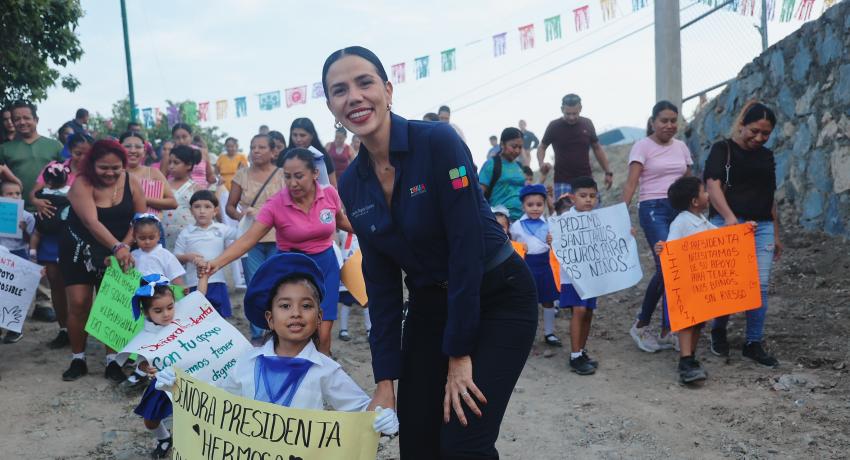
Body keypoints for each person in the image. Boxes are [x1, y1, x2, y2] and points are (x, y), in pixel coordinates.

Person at [324, 46, 537, 458]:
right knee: (417, 443)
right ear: (331, 106)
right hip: (430, 305)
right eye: (340, 90)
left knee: (463, 443)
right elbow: (382, 285)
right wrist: (385, 381)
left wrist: (459, 352)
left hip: (497, 294)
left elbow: (465, 247)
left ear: (388, 90)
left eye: (364, 82)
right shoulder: (352, 184)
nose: (354, 97)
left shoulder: (438, 142)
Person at [157, 253, 399, 437]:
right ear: (270, 319)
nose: (296, 313)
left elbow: (361, 410)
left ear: (318, 318)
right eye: (285, 306)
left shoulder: (326, 369)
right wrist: (178, 386)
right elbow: (216, 402)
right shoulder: (247, 362)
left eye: (306, 306)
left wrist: (382, 418)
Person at [202, 148, 352, 355]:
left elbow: (341, 221)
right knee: (296, 333)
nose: (292, 183)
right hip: (292, 272)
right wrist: (216, 263)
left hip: (326, 267)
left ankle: (321, 370)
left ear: (315, 173)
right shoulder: (276, 204)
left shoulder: (329, 195)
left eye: (299, 176)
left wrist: (375, 232)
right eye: (287, 176)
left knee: (323, 334)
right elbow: (248, 239)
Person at [60, 139, 146, 381]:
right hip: (80, 249)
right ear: (92, 164)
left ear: (123, 165)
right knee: (79, 303)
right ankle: (78, 358)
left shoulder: (131, 181)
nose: (110, 173)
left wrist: (125, 246)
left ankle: (113, 360)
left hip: (120, 249)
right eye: (103, 167)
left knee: (113, 303)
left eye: (115, 167)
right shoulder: (82, 183)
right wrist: (118, 246)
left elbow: (139, 218)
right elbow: (91, 222)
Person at [704, 101, 781, 368]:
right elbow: (712, 185)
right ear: (742, 125)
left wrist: (776, 233)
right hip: (728, 224)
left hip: (762, 227)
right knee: (728, 284)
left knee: (759, 286)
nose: (759, 138)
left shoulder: (767, 156)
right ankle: (718, 330)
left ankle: (753, 343)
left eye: (765, 133)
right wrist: (729, 218)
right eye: (754, 131)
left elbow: (770, 197)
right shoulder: (722, 149)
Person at [621, 101, 693, 353]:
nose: (669, 125)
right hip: (653, 209)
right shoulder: (642, 146)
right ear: (653, 122)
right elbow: (631, 183)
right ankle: (641, 324)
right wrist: (620, 217)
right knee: (668, 265)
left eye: (673, 120)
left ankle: (667, 330)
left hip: (680, 211)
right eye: (664, 120)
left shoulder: (681, 147)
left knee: (677, 269)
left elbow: (689, 183)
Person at [654, 176, 717, 384]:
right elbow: (671, 247)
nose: (708, 194)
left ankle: (691, 357)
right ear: (695, 201)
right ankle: (685, 360)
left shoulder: (702, 220)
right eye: (704, 191)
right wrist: (663, 248)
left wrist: (744, 231)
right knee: (688, 322)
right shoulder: (681, 222)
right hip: (687, 283)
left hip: (701, 281)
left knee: (699, 321)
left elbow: (721, 237)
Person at [226, 134, 284, 343]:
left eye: (261, 147)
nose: (256, 151)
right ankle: (258, 334)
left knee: (278, 285)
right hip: (251, 240)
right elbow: (230, 206)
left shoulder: (283, 175)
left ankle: (278, 330)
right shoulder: (242, 175)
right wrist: (242, 217)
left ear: (273, 151)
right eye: (253, 147)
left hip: (279, 238)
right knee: (255, 286)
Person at [557, 176, 603, 375]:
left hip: (592, 275)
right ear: (572, 197)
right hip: (572, 276)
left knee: (588, 311)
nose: (588, 200)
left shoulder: (599, 219)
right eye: (583, 195)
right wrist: (551, 239)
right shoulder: (564, 220)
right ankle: (575, 356)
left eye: (592, 196)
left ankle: (581, 351)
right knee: (579, 310)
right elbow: (556, 241)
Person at [128, 275, 178, 458]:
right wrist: (146, 368)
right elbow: (141, 362)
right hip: (162, 383)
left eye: (170, 307)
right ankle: (164, 438)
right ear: (146, 312)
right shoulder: (145, 336)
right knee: (150, 421)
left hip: (191, 379)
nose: (166, 314)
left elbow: (200, 300)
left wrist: (203, 277)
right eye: (158, 310)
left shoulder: (183, 320)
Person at [536, 94, 613, 199]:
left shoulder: (587, 123)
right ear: (562, 109)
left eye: (574, 113)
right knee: (564, 209)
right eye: (568, 114)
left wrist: (608, 172)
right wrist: (541, 163)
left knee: (592, 209)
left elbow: (597, 148)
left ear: (580, 108)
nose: (571, 117)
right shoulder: (554, 126)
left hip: (586, 180)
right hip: (562, 182)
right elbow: (542, 147)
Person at [510, 184, 559, 346]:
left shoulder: (549, 224)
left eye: (539, 204)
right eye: (530, 205)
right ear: (523, 206)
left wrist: (552, 242)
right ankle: (526, 334)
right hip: (526, 267)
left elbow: (558, 246)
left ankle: (549, 333)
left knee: (548, 300)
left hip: (545, 266)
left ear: (544, 204)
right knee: (527, 302)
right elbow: (512, 246)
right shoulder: (516, 226)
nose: (535, 208)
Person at [173, 190, 236, 317]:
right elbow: (175, 258)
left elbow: (242, 236)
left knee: (220, 318)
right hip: (194, 284)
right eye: (197, 207)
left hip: (218, 282)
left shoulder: (221, 228)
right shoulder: (186, 233)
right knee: (198, 318)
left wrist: (248, 217)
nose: (202, 211)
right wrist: (188, 257)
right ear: (191, 210)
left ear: (215, 211)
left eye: (207, 207)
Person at [31, 162, 73, 348]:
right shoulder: (56, 171)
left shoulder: (93, 169)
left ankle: (77, 329)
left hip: (72, 239)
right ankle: (64, 329)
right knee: (56, 284)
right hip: (48, 239)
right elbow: (33, 194)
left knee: (76, 288)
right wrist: (36, 201)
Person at [0, 101, 64, 213]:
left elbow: (69, 176)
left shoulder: (55, 146)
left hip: (50, 209)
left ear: (36, 119)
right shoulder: (4, 149)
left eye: (26, 118)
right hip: (14, 212)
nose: (22, 122)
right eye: (17, 119)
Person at [121, 131, 177, 216]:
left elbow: (173, 203)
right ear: (119, 149)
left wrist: (142, 199)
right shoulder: (113, 174)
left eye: (138, 147)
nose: (133, 150)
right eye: (127, 146)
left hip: (150, 224)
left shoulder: (153, 173)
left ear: (144, 151)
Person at [479, 127, 526, 221]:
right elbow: (479, 195)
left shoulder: (519, 166)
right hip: (500, 222)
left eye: (520, 147)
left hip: (522, 222)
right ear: (502, 144)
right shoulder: (492, 164)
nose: (517, 150)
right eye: (514, 146)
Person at [277, 118, 337, 187]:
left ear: (312, 135)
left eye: (302, 135)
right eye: (295, 135)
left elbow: (333, 185)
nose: (298, 139)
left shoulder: (321, 156)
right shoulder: (284, 155)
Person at [162, 145, 201, 250]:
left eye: (176, 162)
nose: (171, 166)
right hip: (165, 234)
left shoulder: (195, 188)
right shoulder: (164, 185)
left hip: (188, 236)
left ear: (189, 165)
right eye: (170, 162)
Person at [130, 214, 186, 286]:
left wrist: (182, 290)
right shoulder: (132, 255)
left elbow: (176, 278)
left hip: (161, 292)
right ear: (134, 237)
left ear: (159, 236)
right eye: (142, 238)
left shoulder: (166, 255)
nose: (147, 242)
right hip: (139, 292)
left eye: (151, 238)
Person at [336, 230, 371, 341]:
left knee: (365, 301)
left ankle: (370, 329)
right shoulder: (343, 233)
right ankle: (343, 330)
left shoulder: (362, 231)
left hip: (360, 271)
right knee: (347, 302)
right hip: (348, 270)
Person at [160, 123, 215, 187]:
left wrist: (218, 181)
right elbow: (161, 178)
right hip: (176, 191)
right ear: (173, 139)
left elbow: (210, 176)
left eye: (184, 137)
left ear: (191, 136)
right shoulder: (169, 155)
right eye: (177, 138)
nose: (181, 141)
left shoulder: (202, 152)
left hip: (200, 191)